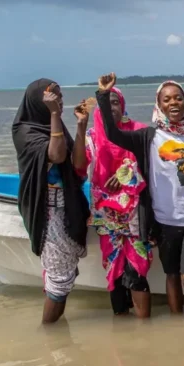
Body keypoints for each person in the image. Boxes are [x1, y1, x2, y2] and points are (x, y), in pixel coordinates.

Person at [95, 74, 184, 318]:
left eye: (178, 98)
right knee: (170, 275)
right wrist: (104, 97)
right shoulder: (148, 137)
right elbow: (113, 133)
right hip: (163, 220)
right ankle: (177, 324)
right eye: (167, 99)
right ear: (159, 105)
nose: (174, 103)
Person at [12, 79, 89, 324]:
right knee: (59, 280)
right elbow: (55, 155)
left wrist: (80, 127)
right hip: (47, 211)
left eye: (60, 97)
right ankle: (50, 340)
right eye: (52, 97)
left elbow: (77, 164)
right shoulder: (24, 130)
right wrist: (55, 114)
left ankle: (56, 337)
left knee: (63, 274)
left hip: (68, 206)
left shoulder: (54, 126)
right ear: (38, 101)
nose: (59, 102)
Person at [70, 89, 152, 318]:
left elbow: (153, 164)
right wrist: (80, 126)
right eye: (107, 103)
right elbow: (78, 166)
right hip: (107, 216)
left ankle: (145, 327)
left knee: (137, 270)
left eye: (116, 102)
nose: (112, 107)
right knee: (114, 272)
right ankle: (122, 329)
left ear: (123, 106)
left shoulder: (139, 132)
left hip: (136, 215)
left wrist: (127, 172)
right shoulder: (92, 137)